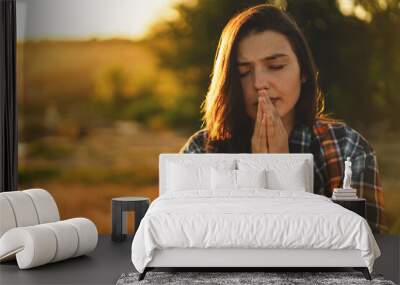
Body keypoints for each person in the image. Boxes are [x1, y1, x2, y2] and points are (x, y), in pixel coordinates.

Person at [179, 4, 386, 233]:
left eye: (275, 66)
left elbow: (366, 246)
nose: (259, 83)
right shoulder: (200, 151)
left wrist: (284, 174)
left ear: (304, 72)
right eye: (243, 73)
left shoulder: (347, 148)